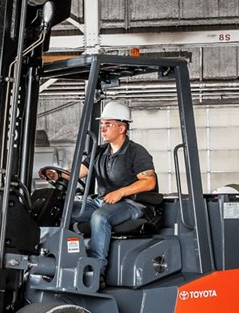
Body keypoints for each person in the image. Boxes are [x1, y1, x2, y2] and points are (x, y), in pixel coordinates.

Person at [41, 100, 158, 268]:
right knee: (62, 209)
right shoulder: (100, 151)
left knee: (100, 217)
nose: (102, 128)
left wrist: (120, 192)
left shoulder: (136, 152)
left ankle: (97, 268)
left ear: (122, 128)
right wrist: (57, 174)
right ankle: (62, 258)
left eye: (108, 125)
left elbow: (149, 182)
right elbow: (76, 171)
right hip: (101, 201)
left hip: (131, 204)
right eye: (102, 124)